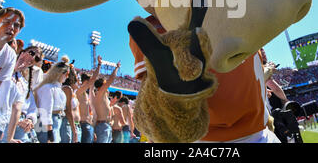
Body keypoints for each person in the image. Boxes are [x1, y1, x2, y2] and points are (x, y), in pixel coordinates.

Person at [130, 15, 280, 143]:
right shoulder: (153, 25)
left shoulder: (238, 10)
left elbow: (249, 78)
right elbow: (150, 102)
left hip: (259, 133)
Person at [0, 44, 37, 142]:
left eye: (36, 58)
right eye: (31, 53)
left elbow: (17, 108)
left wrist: (10, 138)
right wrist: (16, 66)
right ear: (21, 52)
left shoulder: (23, 83)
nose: (32, 57)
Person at [34, 56, 70, 143]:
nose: (67, 77)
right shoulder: (48, 88)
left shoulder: (56, 88)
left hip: (56, 122)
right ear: (61, 73)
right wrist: (50, 134)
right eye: (67, 74)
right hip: (48, 125)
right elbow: (46, 111)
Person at [91, 61, 120, 143]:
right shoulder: (100, 93)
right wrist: (117, 68)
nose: (107, 87)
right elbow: (111, 79)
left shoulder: (103, 96)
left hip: (106, 125)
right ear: (101, 86)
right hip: (102, 126)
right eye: (105, 84)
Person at [77, 56, 101, 143]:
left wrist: (92, 130)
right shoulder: (78, 92)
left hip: (88, 125)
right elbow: (93, 79)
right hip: (82, 124)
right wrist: (99, 65)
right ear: (86, 81)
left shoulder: (86, 94)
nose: (92, 84)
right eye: (90, 82)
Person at [60, 63, 81, 143]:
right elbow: (68, 110)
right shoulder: (66, 89)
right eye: (77, 76)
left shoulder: (73, 91)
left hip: (75, 125)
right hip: (67, 124)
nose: (79, 80)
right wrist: (74, 130)